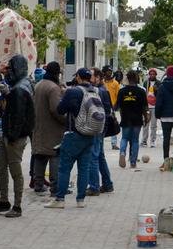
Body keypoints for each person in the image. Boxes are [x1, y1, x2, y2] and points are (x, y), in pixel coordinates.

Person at [0, 55, 34, 218]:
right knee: (0, 166)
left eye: (10, 69)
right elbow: (14, 107)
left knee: (15, 170)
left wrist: (13, 135)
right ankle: (3, 201)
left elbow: (20, 115)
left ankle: (17, 205)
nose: (7, 72)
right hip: (6, 132)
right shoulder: (19, 86)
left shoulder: (21, 88)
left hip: (14, 135)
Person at [49, 68, 100, 209]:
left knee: (64, 168)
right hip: (90, 134)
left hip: (73, 134)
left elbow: (60, 109)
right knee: (84, 168)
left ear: (78, 77)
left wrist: (65, 95)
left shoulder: (73, 91)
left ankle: (60, 199)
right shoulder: (95, 91)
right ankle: (80, 200)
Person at [31, 62, 66, 195]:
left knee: (40, 155)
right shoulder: (53, 88)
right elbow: (56, 109)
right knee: (54, 155)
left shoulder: (39, 85)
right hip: (52, 128)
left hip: (38, 125)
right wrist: (66, 120)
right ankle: (55, 187)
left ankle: (38, 184)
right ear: (57, 73)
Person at [86, 68, 114, 196]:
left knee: (93, 156)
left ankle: (94, 186)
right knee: (100, 155)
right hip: (102, 127)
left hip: (97, 126)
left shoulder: (99, 91)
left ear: (97, 77)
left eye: (91, 76)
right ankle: (107, 184)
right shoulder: (103, 90)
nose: (89, 79)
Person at [117, 70, 147, 169]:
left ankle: (122, 153)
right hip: (137, 119)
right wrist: (146, 118)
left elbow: (119, 107)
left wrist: (122, 117)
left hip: (126, 118)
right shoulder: (141, 91)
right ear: (137, 78)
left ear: (128, 79)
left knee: (124, 138)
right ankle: (133, 162)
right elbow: (144, 108)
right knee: (135, 140)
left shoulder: (122, 91)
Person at [102, 66, 121, 150]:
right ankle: (100, 141)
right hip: (102, 106)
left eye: (110, 71)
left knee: (113, 124)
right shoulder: (102, 83)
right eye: (108, 71)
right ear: (104, 72)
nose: (110, 73)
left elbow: (118, 95)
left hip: (112, 107)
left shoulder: (115, 83)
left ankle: (114, 143)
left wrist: (115, 106)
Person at [141, 68, 160, 147]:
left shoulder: (159, 83)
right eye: (150, 74)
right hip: (147, 106)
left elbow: (160, 94)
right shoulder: (146, 82)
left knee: (153, 125)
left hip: (155, 106)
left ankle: (152, 141)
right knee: (145, 124)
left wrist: (157, 90)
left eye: (153, 74)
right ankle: (144, 140)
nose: (152, 75)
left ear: (155, 75)